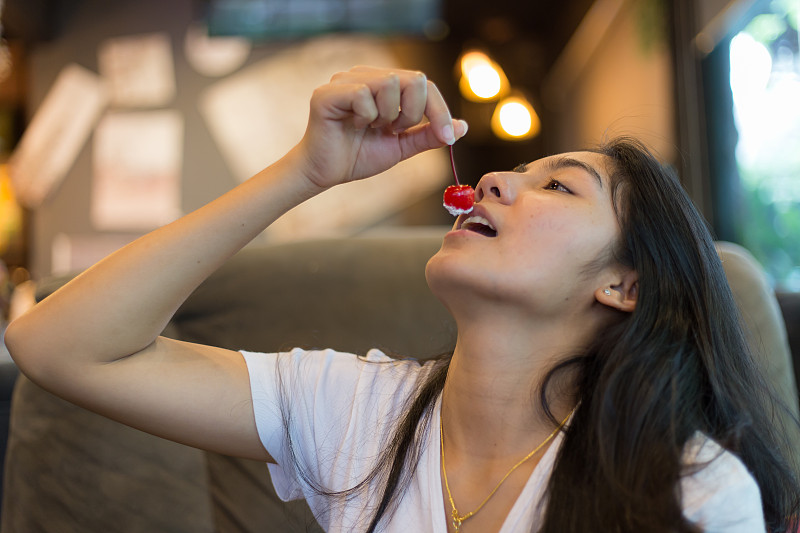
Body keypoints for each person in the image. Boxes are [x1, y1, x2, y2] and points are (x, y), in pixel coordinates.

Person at [5, 66, 799, 533]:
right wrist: (301, 174)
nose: (495, 179)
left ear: (622, 284)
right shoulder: (356, 413)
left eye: (556, 184)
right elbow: (56, 346)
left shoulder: (691, 490)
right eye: (508, 174)